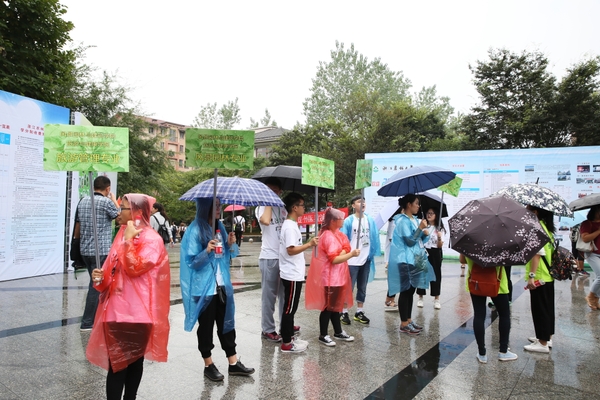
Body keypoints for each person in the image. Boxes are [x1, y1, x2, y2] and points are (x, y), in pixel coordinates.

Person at [86, 193, 171, 400]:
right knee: (117, 365)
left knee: (134, 362)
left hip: (140, 313)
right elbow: (112, 272)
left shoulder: (152, 239)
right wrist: (100, 277)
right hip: (115, 312)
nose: (118, 212)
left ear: (136, 212)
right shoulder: (122, 234)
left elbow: (135, 268)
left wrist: (128, 242)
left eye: (122, 208)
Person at [179, 197, 254, 381]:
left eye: (220, 205)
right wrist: (206, 251)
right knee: (206, 327)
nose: (219, 208)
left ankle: (233, 363)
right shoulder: (194, 230)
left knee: (226, 323)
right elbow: (191, 262)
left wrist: (229, 244)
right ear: (206, 207)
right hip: (203, 288)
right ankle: (208, 364)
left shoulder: (219, 227)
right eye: (216, 205)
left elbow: (226, 255)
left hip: (221, 285)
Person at [306, 208, 359, 346]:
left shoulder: (338, 234)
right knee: (328, 307)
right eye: (340, 218)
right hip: (330, 278)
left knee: (336, 306)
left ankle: (338, 331)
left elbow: (346, 247)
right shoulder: (328, 236)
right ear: (333, 220)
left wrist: (343, 253)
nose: (343, 220)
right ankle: (323, 334)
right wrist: (350, 255)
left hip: (339, 276)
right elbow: (334, 259)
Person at [77, 175, 119, 331]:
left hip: (85, 250)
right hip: (100, 250)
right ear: (107, 189)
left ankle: (96, 317)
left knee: (95, 282)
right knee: (96, 285)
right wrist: (114, 200)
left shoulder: (83, 201)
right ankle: (88, 322)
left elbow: (78, 224)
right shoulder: (106, 202)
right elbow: (120, 217)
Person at [388, 195, 435, 335]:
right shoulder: (402, 221)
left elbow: (418, 239)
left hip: (415, 259)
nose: (418, 206)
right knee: (405, 291)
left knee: (411, 291)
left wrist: (424, 233)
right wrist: (420, 229)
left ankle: (409, 320)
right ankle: (403, 323)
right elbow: (409, 241)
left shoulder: (414, 219)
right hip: (405, 260)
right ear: (409, 204)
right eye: (416, 203)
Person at [279, 192, 318, 353]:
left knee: (291, 308)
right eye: (302, 205)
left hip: (294, 272)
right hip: (291, 273)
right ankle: (287, 343)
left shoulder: (292, 225)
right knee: (289, 309)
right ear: (294, 207)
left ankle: (289, 337)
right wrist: (309, 244)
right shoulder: (289, 227)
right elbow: (291, 250)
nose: (304, 208)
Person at [460, 255, 517, 363]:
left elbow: (462, 260)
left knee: (479, 315)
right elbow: (506, 261)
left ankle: (482, 353)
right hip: (498, 283)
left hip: (476, 282)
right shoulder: (500, 245)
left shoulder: (469, 244)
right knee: (504, 315)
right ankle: (503, 351)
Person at [340, 195, 380, 325]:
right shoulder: (349, 221)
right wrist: (347, 255)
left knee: (362, 287)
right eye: (359, 202)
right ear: (353, 205)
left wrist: (371, 254)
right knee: (348, 288)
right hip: (352, 260)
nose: (362, 203)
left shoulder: (369, 220)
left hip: (365, 259)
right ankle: (344, 311)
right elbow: (343, 240)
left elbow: (374, 237)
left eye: (364, 201)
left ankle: (359, 311)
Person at [256, 178, 287, 342]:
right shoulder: (261, 207)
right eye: (268, 190)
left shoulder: (283, 208)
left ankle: (285, 324)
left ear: (280, 192)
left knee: (284, 294)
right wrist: (268, 199)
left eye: (274, 190)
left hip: (284, 257)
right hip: (269, 257)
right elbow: (266, 221)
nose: (271, 193)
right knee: (269, 296)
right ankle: (267, 329)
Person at [524, 205, 556, 353]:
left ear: (535, 212)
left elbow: (537, 254)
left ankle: (542, 343)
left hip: (539, 276)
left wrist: (531, 276)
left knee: (540, 309)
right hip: (548, 275)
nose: (525, 212)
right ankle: (547, 338)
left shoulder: (536, 228)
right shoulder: (547, 228)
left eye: (528, 210)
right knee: (547, 308)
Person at [417, 208, 445, 310]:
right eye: (428, 213)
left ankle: (436, 299)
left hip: (435, 252)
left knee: (436, 275)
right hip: (424, 251)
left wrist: (439, 237)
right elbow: (417, 240)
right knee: (422, 274)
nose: (429, 215)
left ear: (436, 215)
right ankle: (420, 297)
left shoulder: (440, 228)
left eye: (432, 213)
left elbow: (440, 246)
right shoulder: (424, 225)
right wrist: (422, 233)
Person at [580, 205, 600, 309]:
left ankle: (595, 299)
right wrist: (598, 231)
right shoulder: (587, 223)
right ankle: (591, 296)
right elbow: (585, 238)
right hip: (592, 253)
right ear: (595, 211)